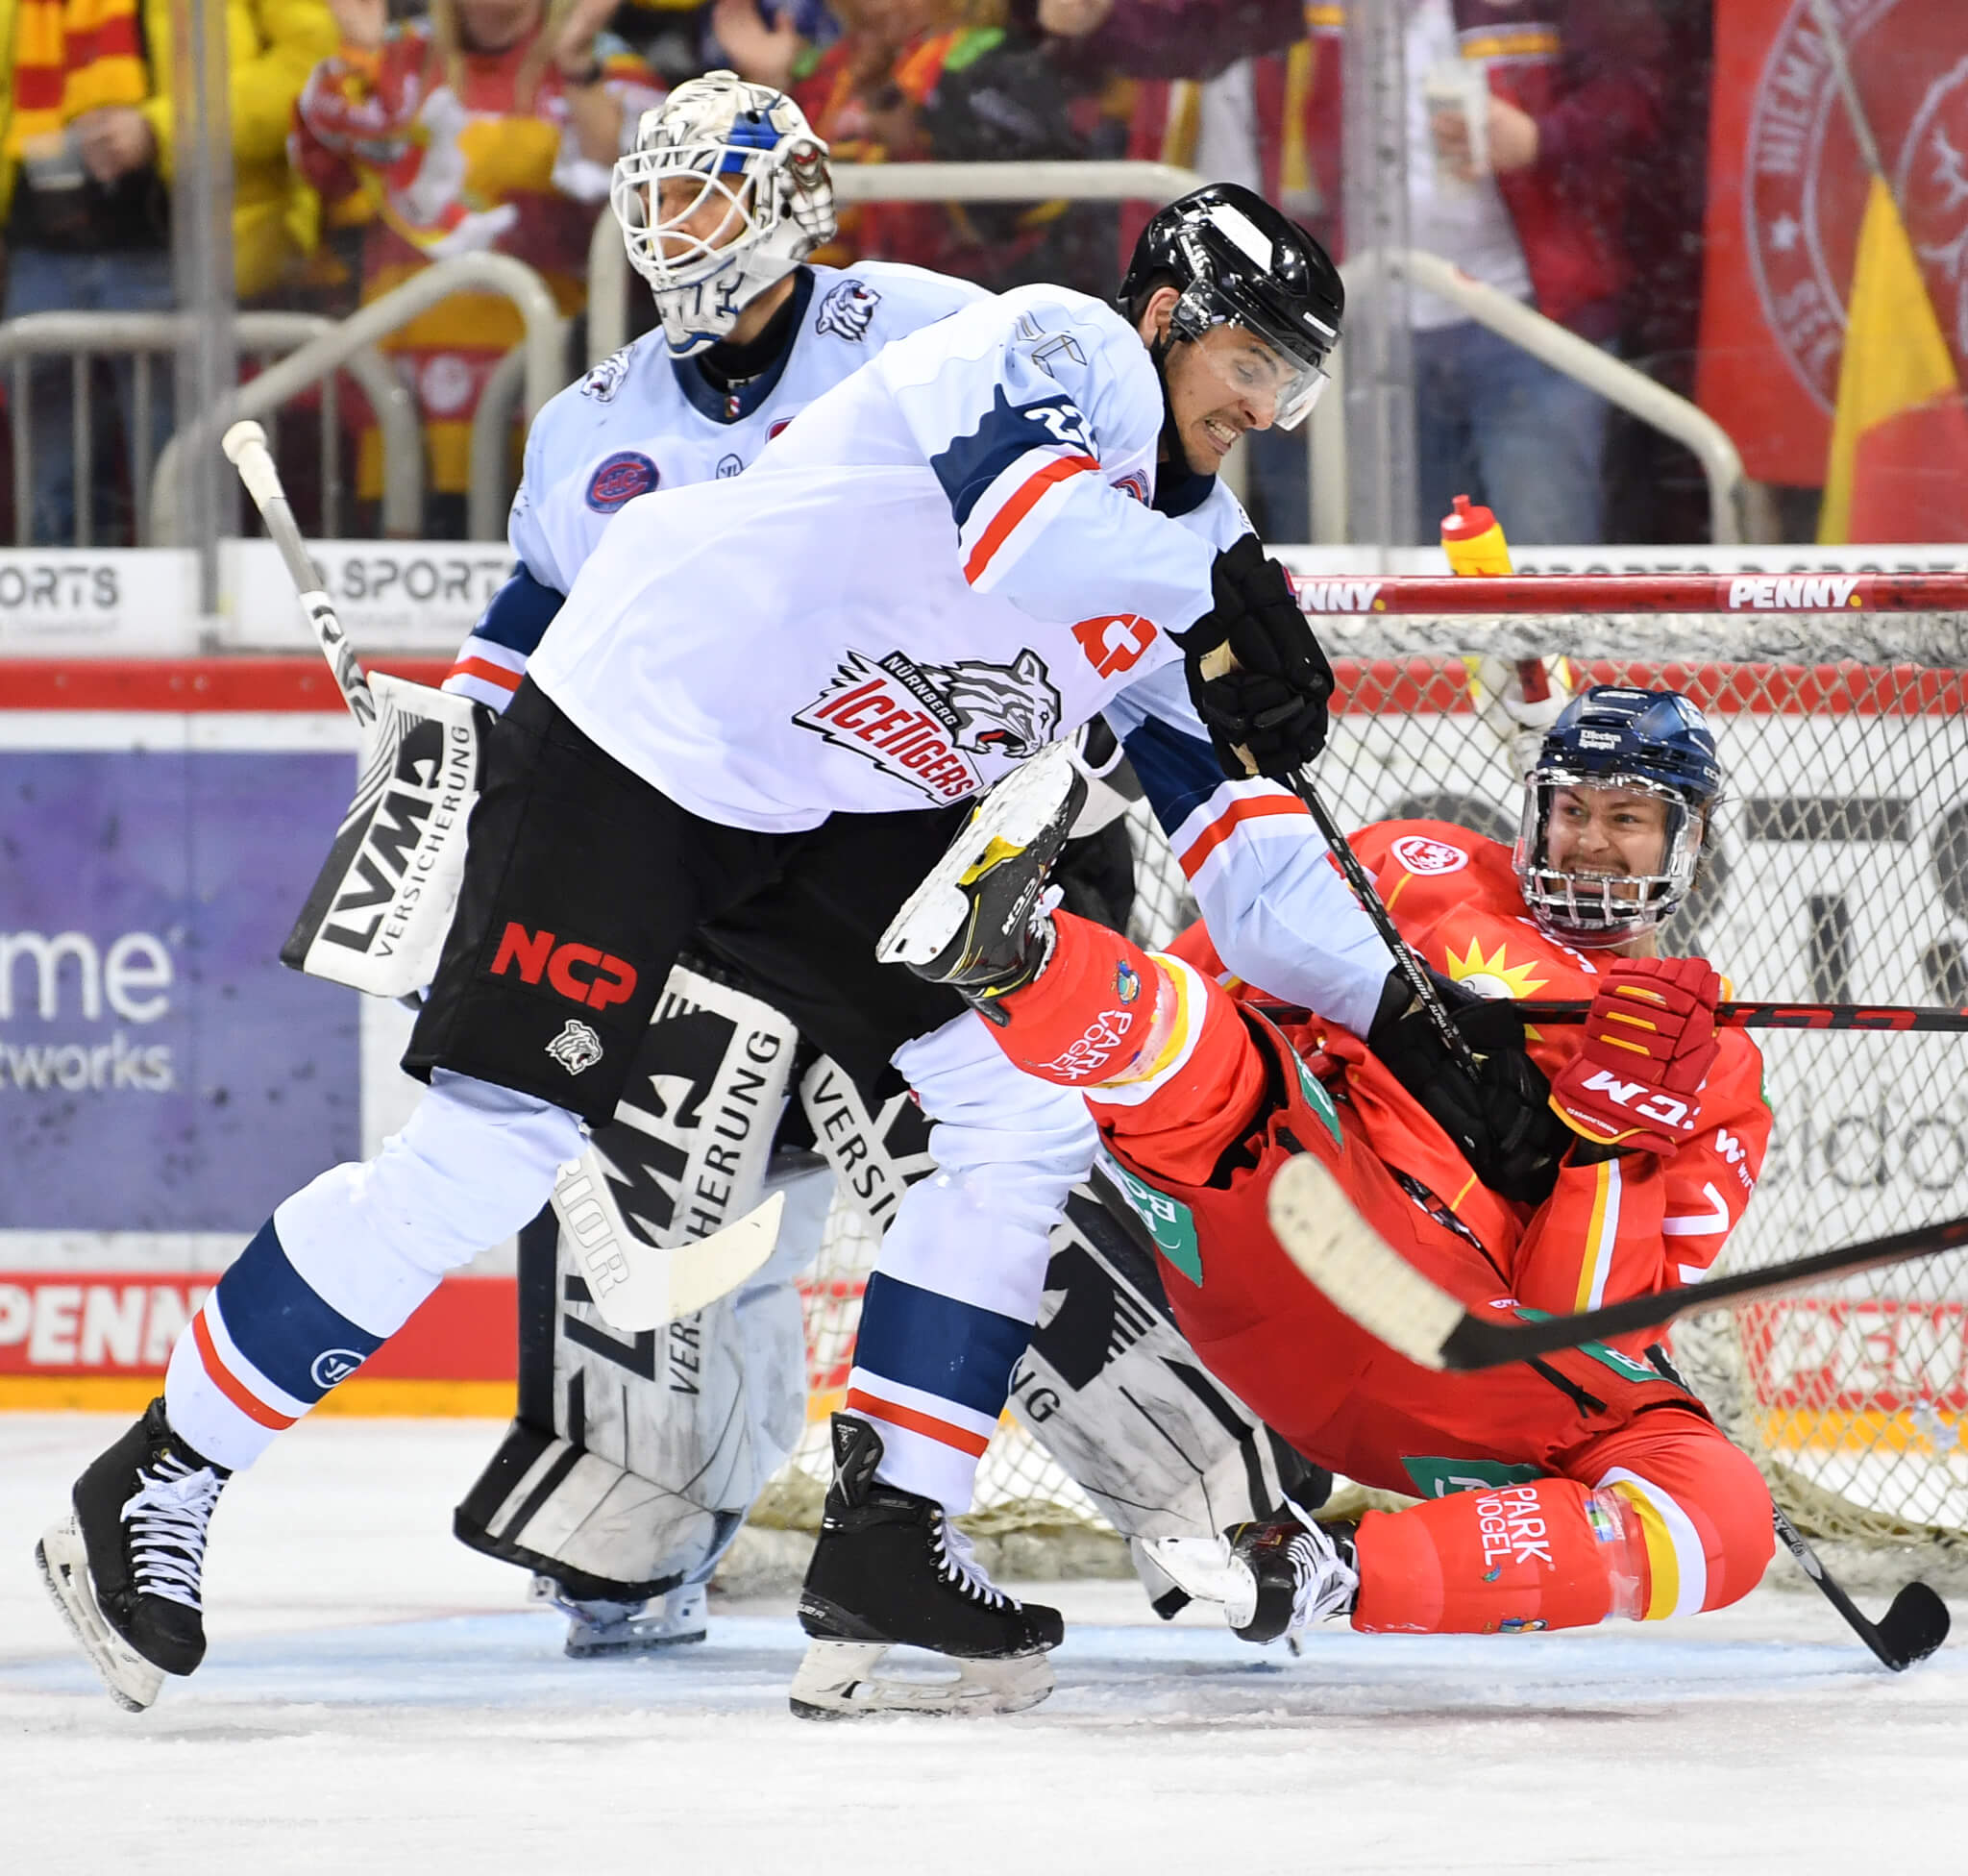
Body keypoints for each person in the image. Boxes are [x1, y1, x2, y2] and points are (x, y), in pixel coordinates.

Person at [39, 182, 1411, 1721]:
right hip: (644, 737)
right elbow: (1026, 518)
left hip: (839, 806)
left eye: (1296, 381)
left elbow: (1240, 841)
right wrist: (1226, 591)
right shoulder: (1057, 342)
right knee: (486, 1161)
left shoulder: (1201, 537)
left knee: (1020, 1122)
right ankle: (154, 1482)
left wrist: (1415, 1017)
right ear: (1169, 316)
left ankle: (890, 1538)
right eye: (1255, 361)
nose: (1267, 407)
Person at [892, 683, 1778, 1642]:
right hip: (1310, 1232)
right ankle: (1017, 963)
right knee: (1227, 1066)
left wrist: (1608, 1144)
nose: (1588, 841)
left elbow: (1575, 1319)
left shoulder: (1713, 1061)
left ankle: (1323, 1572)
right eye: (1570, 809)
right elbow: (1200, 978)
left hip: (1466, 1371)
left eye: (1626, 818)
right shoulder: (1414, 865)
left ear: (1687, 838)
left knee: (1722, 1511)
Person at [288, 0, 662, 535]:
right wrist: (362, 57)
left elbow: (638, 189)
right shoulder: (396, 53)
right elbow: (322, 173)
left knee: (534, 563)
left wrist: (578, 64)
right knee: (402, 583)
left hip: (541, 383)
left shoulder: (600, 58)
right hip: (399, 382)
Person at [0, 0, 339, 543]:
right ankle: (66, 627)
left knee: (180, 483)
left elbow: (313, 65)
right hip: (37, 251)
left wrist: (161, 128)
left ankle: (196, 621)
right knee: (49, 491)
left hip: (180, 245)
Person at [1403, 0, 1663, 546]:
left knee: (1543, 572)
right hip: (1382, 323)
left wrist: (1544, 139)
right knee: (1399, 590)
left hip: (1532, 321)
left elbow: (1644, 91)